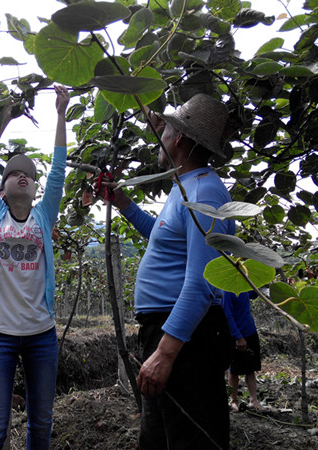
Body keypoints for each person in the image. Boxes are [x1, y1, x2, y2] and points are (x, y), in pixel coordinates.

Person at [95, 93, 236, 449]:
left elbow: (202, 283)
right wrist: (121, 201)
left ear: (182, 141)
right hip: (170, 330)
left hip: (189, 338)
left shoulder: (204, 192)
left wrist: (166, 353)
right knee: (159, 438)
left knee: (191, 440)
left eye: (168, 130)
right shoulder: (185, 187)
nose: (161, 137)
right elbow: (160, 234)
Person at [0, 85, 69, 449]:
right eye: (14, 172)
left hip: (41, 335)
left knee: (40, 426)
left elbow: (58, 170)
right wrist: (3, 119)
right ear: (2, 188)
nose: (22, 174)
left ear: (35, 188)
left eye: (28, 173)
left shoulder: (44, 214)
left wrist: (60, 115)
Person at [222, 290, 263, 412]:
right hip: (235, 335)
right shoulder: (227, 291)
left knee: (251, 369)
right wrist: (238, 337)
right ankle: (234, 401)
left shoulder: (244, 286)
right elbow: (227, 314)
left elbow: (255, 293)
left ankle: (253, 400)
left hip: (250, 331)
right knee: (234, 370)